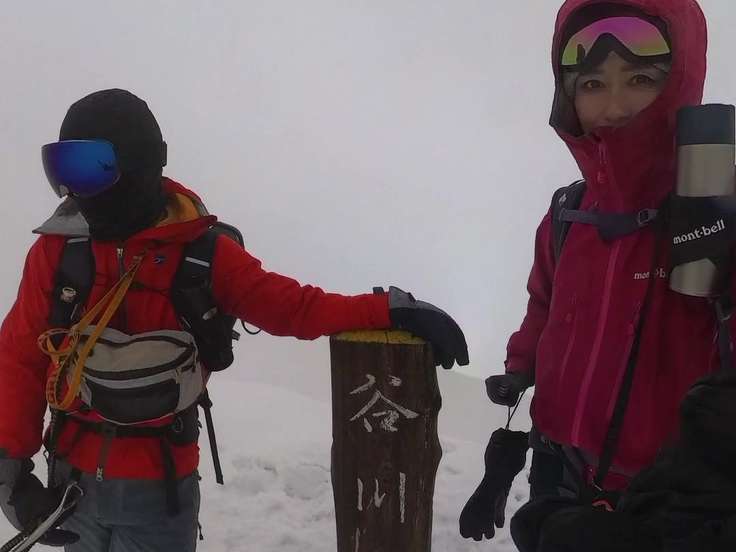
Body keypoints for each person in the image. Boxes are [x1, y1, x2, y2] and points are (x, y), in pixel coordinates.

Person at [0, 88, 469, 552]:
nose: (74, 190)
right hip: (73, 491)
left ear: (137, 162)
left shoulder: (203, 255)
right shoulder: (58, 252)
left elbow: (295, 308)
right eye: (63, 169)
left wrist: (388, 309)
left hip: (157, 495)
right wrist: (11, 474)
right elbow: (19, 358)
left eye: (89, 167)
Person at [460, 0, 722, 545]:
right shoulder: (567, 213)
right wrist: (520, 368)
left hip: (671, 495)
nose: (615, 105)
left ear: (681, 80)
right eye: (593, 84)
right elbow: (544, 303)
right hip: (558, 467)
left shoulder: (719, 212)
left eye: (641, 79)